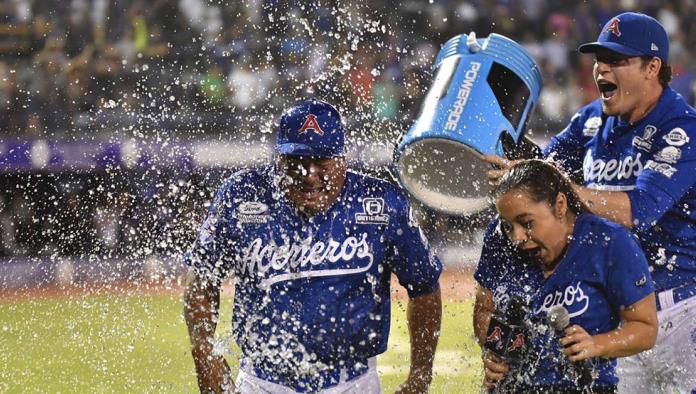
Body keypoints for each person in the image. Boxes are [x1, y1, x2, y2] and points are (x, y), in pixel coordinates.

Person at [478, 12, 696, 392]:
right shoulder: (591, 121)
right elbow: (542, 175)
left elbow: (638, 210)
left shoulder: (682, 128)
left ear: (652, 67)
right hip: (615, 316)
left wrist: (556, 181)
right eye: (599, 60)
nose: (601, 70)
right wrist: (514, 160)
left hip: (680, 309)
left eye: (616, 61)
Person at [183, 99, 442, 394]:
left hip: (353, 383)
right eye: (297, 161)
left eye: (322, 160)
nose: (309, 174)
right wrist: (203, 354)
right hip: (262, 383)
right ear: (277, 158)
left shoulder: (382, 202)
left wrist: (421, 375)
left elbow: (424, 286)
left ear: (343, 158)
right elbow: (202, 277)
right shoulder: (241, 194)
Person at [480, 160, 657, 393]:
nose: (517, 237)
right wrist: (496, 352)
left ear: (560, 205)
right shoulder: (498, 240)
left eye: (526, 223)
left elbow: (646, 328)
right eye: (507, 225)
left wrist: (596, 344)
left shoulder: (609, 242)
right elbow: (484, 309)